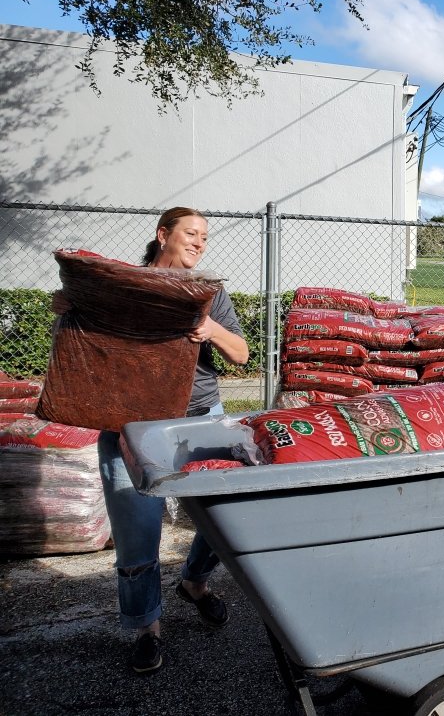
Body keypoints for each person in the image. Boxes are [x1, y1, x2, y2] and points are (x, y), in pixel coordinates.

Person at [94, 207, 249, 674]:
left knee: (224, 515)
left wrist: (211, 328)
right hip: (131, 426)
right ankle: (147, 628)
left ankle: (195, 583)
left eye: (205, 236)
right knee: (138, 532)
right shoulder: (125, 286)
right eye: (191, 233)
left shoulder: (210, 292)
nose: (200, 241)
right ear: (163, 235)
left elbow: (241, 355)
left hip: (200, 420)